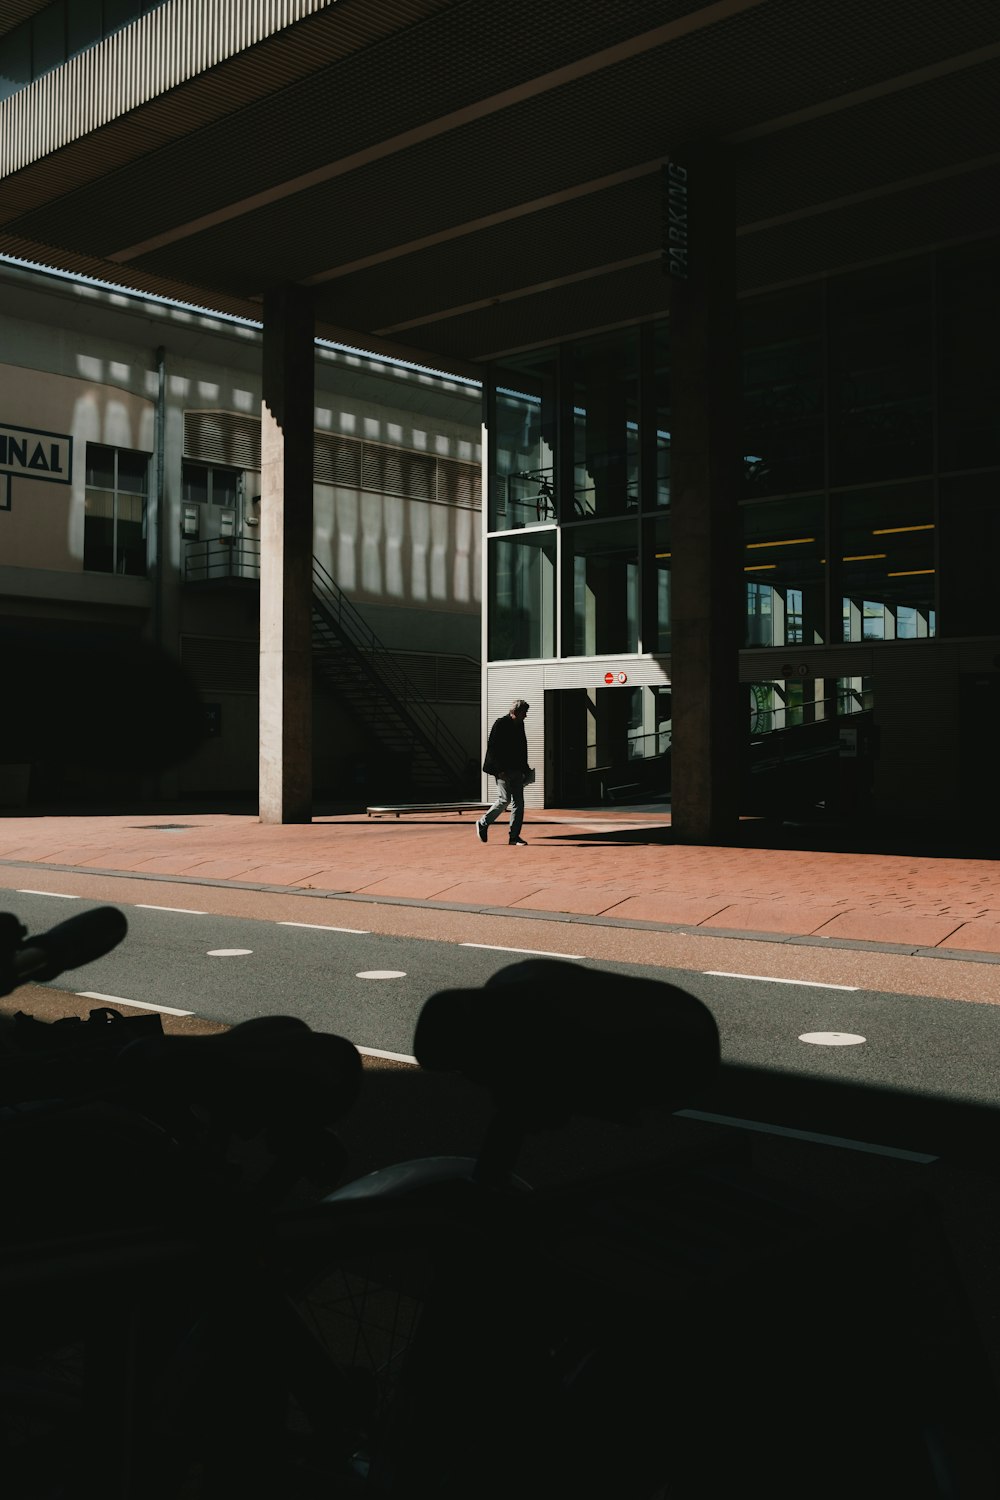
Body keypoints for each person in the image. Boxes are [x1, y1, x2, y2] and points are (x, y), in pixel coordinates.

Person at [476, 699, 530, 846]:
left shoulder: (520, 725)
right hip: (503, 770)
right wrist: (499, 770)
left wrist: (525, 769)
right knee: (504, 800)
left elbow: (522, 748)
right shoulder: (500, 724)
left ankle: (514, 836)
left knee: (519, 803)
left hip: (517, 769)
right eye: (524, 712)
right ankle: (483, 822)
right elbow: (493, 748)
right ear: (516, 712)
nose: (526, 715)